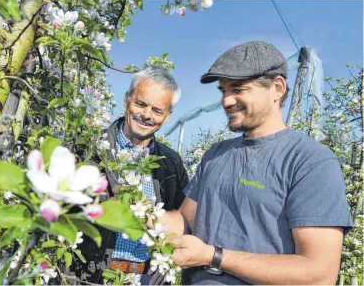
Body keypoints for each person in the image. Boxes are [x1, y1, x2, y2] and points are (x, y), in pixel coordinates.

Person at [152, 41, 354, 285]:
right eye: (223, 90)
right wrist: (129, 212)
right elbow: (185, 221)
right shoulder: (216, 154)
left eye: (238, 89)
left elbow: (319, 274)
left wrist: (214, 256)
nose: (226, 101)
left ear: (277, 88)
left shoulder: (310, 161)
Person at [70, 65, 189, 285]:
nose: (146, 115)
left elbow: (185, 219)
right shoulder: (89, 149)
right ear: (127, 100)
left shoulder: (171, 163)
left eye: (157, 110)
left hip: (145, 277)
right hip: (91, 274)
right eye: (140, 104)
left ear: (168, 116)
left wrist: (169, 258)